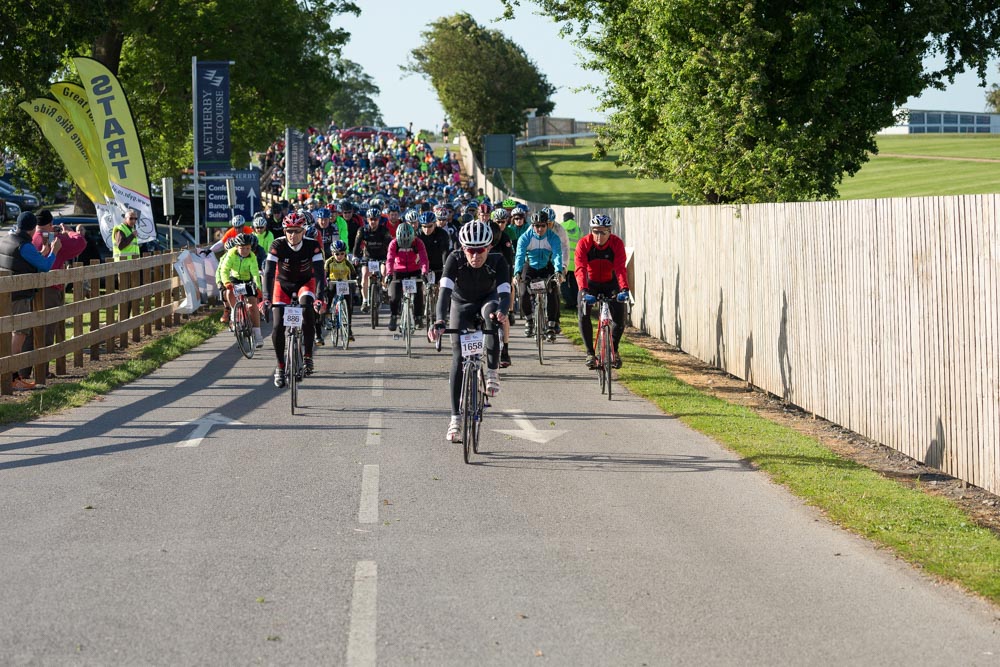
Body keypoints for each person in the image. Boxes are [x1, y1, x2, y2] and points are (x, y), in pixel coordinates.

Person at [428, 220, 510, 442]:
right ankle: (455, 418)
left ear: (489, 247)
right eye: (470, 250)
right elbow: (443, 293)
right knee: (458, 357)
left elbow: (504, 292)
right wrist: (438, 321)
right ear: (463, 248)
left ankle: (492, 371)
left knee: (491, 314)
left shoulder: (498, 260)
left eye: (480, 250)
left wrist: (503, 310)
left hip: (487, 300)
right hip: (461, 304)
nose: (475, 256)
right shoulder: (454, 259)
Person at [261, 211, 325, 387]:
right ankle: (280, 367)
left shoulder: (313, 245)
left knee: (308, 310)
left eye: (297, 231)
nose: (293, 235)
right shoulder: (277, 245)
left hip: (306, 283)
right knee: (277, 325)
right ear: (284, 231)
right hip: (283, 285)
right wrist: (266, 298)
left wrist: (320, 298)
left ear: (304, 231)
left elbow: (320, 274)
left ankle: (308, 356)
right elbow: (268, 273)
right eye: (289, 231)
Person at [23, 210, 86, 380]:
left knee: (28, 331)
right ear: (51, 224)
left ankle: (23, 370)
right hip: (50, 289)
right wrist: (68, 231)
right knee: (47, 331)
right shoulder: (51, 238)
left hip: (29, 289)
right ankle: (41, 371)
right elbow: (80, 243)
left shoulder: (30, 237)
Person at [0, 212, 60, 390]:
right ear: (33, 228)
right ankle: (13, 378)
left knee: (5, 337)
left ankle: (10, 377)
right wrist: (54, 252)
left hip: (5, 295)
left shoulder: (6, 239)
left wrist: (42, 253)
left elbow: (22, 261)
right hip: (19, 297)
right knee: (18, 337)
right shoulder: (24, 246)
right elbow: (45, 267)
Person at [575, 214, 631, 369]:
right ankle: (590, 353)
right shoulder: (584, 244)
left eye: (603, 232)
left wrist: (625, 289)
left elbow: (620, 268)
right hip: (590, 284)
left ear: (609, 231)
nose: (598, 236)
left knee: (620, 317)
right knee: (583, 313)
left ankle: (615, 350)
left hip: (610, 283)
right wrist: (584, 291)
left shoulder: (616, 243)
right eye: (595, 231)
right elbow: (580, 269)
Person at [513, 210, 563, 339]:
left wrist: (558, 271)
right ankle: (529, 320)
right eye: (536, 226)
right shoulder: (525, 237)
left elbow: (557, 255)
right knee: (523, 292)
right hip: (530, 266)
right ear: (532, 225)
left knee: (553, 291)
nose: (539, 229)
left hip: (547, 266)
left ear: (547, 225)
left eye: (542, 226)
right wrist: (517, 272)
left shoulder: (553, 237)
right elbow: (519, 256)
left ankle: (551, 325)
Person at [217, 233, 265, 348]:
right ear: (237, 247)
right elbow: (224, 270)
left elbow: (254, 274)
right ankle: (234, 311)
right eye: (242, 248)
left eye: (248, 248)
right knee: (229, 292)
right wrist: (226, 282)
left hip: (247, 279)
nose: (245, 251)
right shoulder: (231, 254)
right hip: (234, 278)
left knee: (252, 305)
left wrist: (258, 288)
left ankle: (257, 334)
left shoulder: (252, 256)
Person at [384, 222, 429, 331]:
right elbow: (389, 260)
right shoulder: (393, 243)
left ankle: (418, 317)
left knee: (418, 293)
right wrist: (389, 273)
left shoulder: (418, 243)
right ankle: (393, 316)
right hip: (398, 271)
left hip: (414, 270)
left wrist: (424, 272)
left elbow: (424, 259)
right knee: (394, 296)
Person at [352, 206, 393, 313]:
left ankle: (384, 290)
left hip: (382, 256)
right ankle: (365, 300)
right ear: (367, 219)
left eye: (375, 219)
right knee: (365, 275)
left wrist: (390, 258)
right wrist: (355, 256)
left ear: (379, 220)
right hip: (368, 257)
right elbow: (356, 245)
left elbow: (390, 246)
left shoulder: (384, 230)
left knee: (384, 272)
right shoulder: (362, 230)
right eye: (371, 219)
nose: (373, 222)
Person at [489, 208, 515, 367]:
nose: (500, 225)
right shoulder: (485, 235)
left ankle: (505, 349)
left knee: (503, 318)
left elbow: (509, 263)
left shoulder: (505, 238)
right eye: (497, 222)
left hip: (501, 277)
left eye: (502, 222)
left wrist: (509, 309)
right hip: (485, 281)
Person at [323, 239, 357, 342]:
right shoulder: (329, 262)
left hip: (344, 283)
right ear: (333, 253)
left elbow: (353, 273)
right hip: (333, 282)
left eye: (342, 253)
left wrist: (356, 280)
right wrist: (326, 280)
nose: (339, 256)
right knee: (329, 293)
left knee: (349, 304)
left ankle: (349, 329)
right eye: (337, 254)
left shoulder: (347, 262)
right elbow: (325, 273)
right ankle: (328, 314)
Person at [560, 211, 582, 307]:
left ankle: (569, 302)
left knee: (563, 283)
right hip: (575, 262)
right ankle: (575, 301)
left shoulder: (560, 227)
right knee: (574, 283)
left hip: (564, 261)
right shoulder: (578, 229)